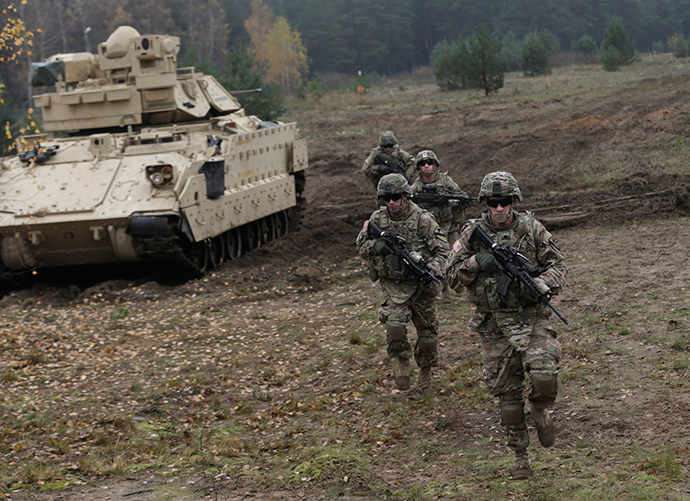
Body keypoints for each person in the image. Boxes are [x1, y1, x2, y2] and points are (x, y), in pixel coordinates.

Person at [446, 171, 568, 479]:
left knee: (544, 373)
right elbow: (449, 278)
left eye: (505, 202)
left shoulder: (531, 229)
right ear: (485, 203)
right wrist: (477, 262)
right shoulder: (472, 233)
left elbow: (560, 265)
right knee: (508, 395)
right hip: (493, 323)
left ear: (514, 201)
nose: (500, 209)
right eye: (493, 202)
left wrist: (541, 282)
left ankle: (540, 409)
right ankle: (520, 456)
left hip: (531, 317)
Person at [356, 173, 450, 395]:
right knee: (395, 326)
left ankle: (426, 374)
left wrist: (430, 270)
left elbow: (444, 253)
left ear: (405, 195)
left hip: (421, 286)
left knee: (428, 338)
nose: (391, 202)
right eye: (386, 198)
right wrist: (377, 247)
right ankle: (402, 360)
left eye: (396, 197)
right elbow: (360, 247)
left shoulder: (423, 219)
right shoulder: (377, 219)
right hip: (394, 285)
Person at [410, 149, 469, 300]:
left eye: (430, 163)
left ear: (435, 165)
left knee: (456, 255)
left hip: (449, 227)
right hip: (430, 232)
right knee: (435, 259)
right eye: (423, 164)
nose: (427, 166)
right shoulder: (416, 187)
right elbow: (409, 207)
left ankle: (457, 284)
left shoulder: (445, 181)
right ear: (418, 167)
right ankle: (443, 292)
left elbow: (461, 196)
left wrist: (452, 202)